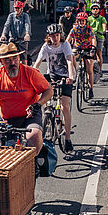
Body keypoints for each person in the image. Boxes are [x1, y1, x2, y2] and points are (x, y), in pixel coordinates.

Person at [0, 43, 53, 154]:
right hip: (7, 119)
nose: (13, 63)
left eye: (15, 58)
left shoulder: (30, 73)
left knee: (34, 135)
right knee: (1, 150)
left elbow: (49, 91)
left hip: (30, 116)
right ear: (1, 62)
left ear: (19, 58)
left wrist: (38, 104)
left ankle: (34, 162)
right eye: (7, 60)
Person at [35, 23, 77, 152]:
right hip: (52, 75)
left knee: (65, 106)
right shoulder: (46, 47)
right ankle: (48, 119)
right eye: (52, 36)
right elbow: (38, 62)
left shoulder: (65, 45)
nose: (55, 38)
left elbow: (69, 60)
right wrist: (32, 73)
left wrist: (71, 76)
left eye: (57, 35)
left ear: (60, 35)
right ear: (49, 36)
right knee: (46, 101)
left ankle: (68, 138)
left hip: (65, 76)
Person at [67, 12, 97, 99]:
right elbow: (68, 39)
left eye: (83, 21)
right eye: (80, 21)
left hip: (88, 48)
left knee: (89, 69)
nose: (81, 22)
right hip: (78, 47)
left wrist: (93, 48)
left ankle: (91, 88)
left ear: (86, 21)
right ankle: (74, 73)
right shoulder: (74, 29)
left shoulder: (89, 29)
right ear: (77, 21)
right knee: (72, 56)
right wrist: (65, 47)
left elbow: (93, 38)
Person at [88, 4, 108, 71]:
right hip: (90, 37)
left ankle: (100, 70)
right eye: (93, 9)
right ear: (91, 10)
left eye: (96, 9)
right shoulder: (89, 19)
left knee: (99, 53)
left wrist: (103, 31)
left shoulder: (102, 18)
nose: (95, 10)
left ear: (99, 10)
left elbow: (104, 25)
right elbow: (86, 27)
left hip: (99, 36)